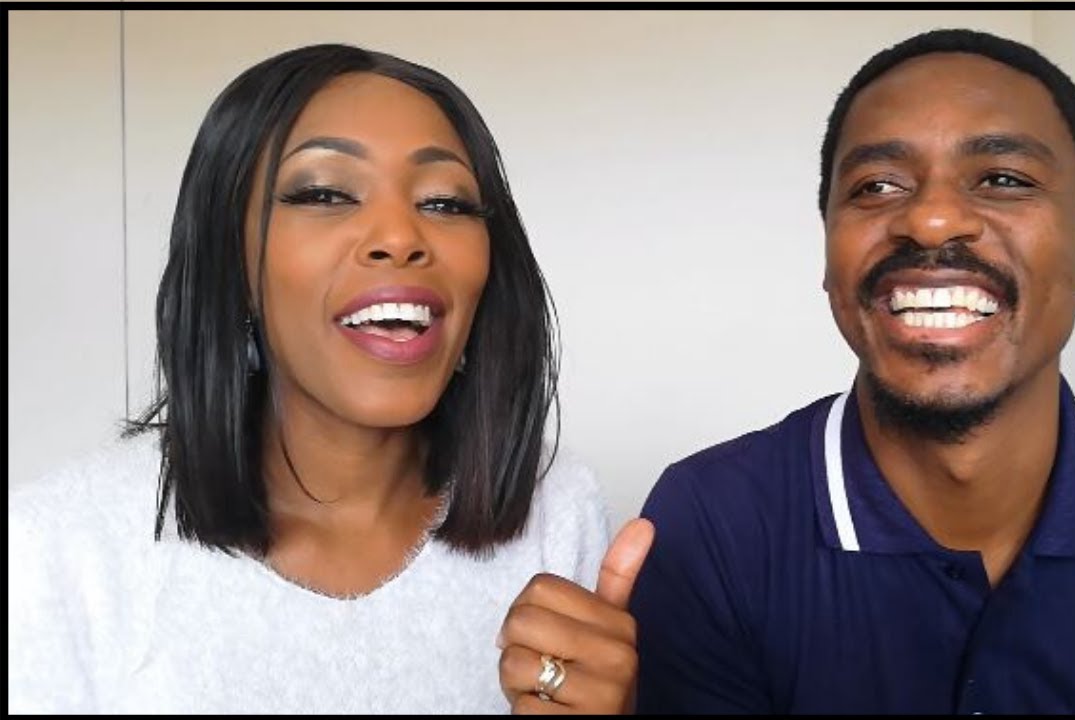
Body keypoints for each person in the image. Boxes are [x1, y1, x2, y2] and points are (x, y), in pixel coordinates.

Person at [629, 28, 1075, 714]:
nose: (932, 220)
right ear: (828, 253)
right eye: (876, 186)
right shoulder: (712, 522)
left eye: (1003, 180)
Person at [7, 43, 652, 714]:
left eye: (444, 202)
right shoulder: (54, 551)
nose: (400, 236)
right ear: (233, 263)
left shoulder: (558, 512)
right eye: (324, 194)